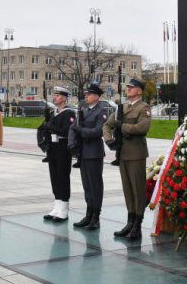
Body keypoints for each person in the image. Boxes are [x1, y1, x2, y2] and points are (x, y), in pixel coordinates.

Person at [103, 78, 151, 240]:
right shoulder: (121, 108)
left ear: (140, 91)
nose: (128, 89)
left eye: (132, 87)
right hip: (122, 153)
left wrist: (122, 126)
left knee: (138, 189)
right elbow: (107, 125)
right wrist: (108, 139)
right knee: (128, 190)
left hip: (136, 154)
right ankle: (130, 221)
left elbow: (143, 127)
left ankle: (138, 223)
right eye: (128, 87)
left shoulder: (143, 108)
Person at [70, 83, 107, 230]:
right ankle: (88, 214)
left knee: (95, 186)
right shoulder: (83, 110)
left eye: (89, 94)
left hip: (94, 152)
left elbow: (99, 131)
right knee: (87, 186)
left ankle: (96, 217)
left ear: (97, 96)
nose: (86, 96)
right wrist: (72, 143)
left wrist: (82, 131)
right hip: (83, 153)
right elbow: (73, 127)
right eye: (86, 94)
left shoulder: (101, 111)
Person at [42, 86, 75, 222]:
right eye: (54, 95)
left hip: (63, 147)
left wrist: (49, 127)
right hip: (53, 148)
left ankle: (64, 209)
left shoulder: (69, 113)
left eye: (57, 95)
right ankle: (57, 206)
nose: (54, 97)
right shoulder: (53, 112)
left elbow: (66, 131)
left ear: (64, 98)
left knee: (63, 177)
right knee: (54, 177)